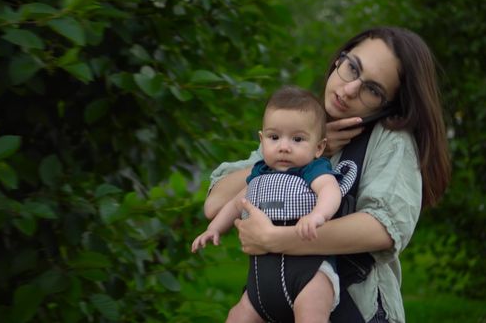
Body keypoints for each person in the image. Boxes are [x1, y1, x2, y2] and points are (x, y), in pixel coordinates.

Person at [204, 26, 452, 323]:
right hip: (275, 301)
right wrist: (312, 151)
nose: (349, 90)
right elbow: (216, 204)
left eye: (372, 89)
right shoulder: (298, 131)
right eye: (352, 68)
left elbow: (383, 228)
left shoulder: (390, 140)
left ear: (389, 105)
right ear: (339, 61)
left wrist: (278, 239)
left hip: (354, 310)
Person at [192, 85, 358, 323]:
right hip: (262, 282)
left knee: (311, 315)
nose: (284, 146)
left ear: (319, 147)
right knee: (236, 316)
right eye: (274, 137)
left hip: (308, 275)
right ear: (262, 140)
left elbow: (330, 191)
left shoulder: (312, 170)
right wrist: (214, 228)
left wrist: (318, 215)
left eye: (298, 139)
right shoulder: (259, 174)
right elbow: (237, 203)